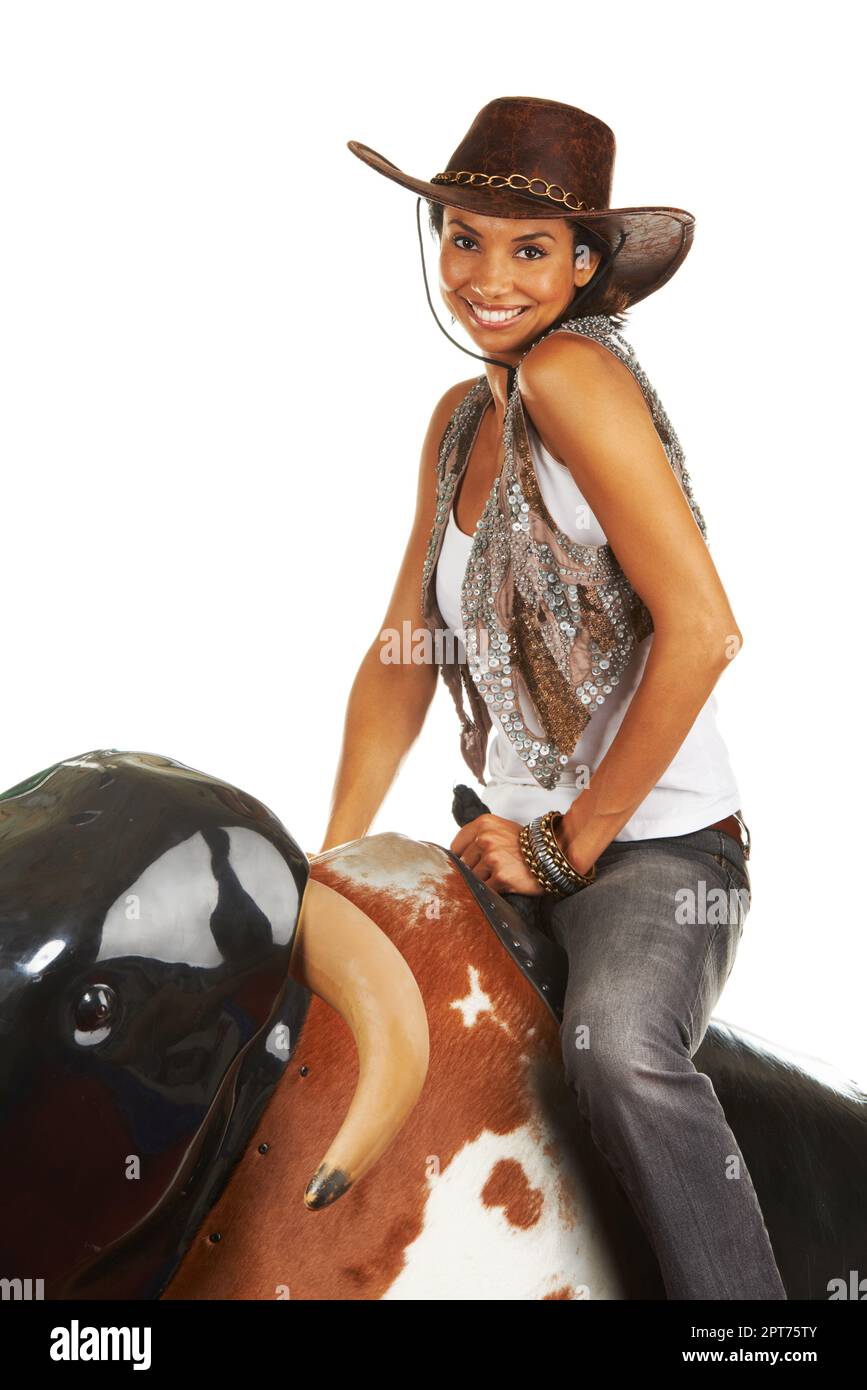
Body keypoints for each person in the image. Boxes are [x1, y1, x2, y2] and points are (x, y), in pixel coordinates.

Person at [327, 96, 787, 1300]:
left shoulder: (575, 375)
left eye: (530, 250)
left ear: (584, 266)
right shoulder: (459, 420)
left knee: (618, 1056)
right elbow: (407, 644)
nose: (487, 275)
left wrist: (567, 843)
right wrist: (325, 862)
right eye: (463, 237)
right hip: (510, 838)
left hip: (660, 853)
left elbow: (705, 630)